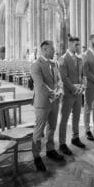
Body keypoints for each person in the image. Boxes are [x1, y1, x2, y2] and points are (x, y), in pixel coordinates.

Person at [31, 40, 64, 172]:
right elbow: (40, 84)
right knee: (39, 130)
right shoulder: (36, 65)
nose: (54, 51)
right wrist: (53, 94)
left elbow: (59, 80)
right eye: (52, 49)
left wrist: (60, 90)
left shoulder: (55, 63)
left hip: (55, 102)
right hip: (43, 102)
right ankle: (36, 156)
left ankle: (50, 149)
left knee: (52, 127)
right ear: (44, 50)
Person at [59, 36, 86, 156]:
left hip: (79, 93)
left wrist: (83, 86)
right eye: (76, 45)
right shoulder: (63, 59)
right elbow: (64, 77)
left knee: (76, 116)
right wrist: (74, 88)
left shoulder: (80, 59)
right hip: (69, 93)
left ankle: (75, 137)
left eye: (78, 45)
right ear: (69, 45)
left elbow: (83, 74)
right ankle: (62, 143)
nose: (78, 47)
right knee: (64, 119)